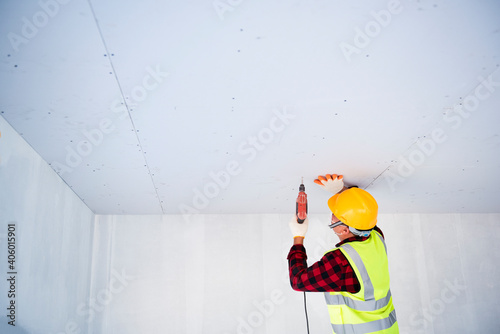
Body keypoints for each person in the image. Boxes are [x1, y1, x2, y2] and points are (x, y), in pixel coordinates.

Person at [287, 174, 399, 334]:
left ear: (344, 229)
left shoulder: (341, 261)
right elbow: (363, 214)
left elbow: (298, 281)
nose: (331, 216)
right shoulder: (376, 237)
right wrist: (342, 191)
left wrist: (298, 236)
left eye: (335, 215)